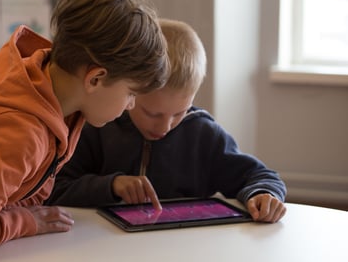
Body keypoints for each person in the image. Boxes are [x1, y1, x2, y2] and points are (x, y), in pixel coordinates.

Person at [0, 0, 169, 262]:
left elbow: (25, 192)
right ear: (95, 79)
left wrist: (15, 216)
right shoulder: (16, 132)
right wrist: (26, 222)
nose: (130, 105)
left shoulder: (61, 105)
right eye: (131, 94)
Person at [47, 18, 287, 223]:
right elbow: (54, 189)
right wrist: (112, 186)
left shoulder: (203, 135)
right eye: (152, 113)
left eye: (178, 113)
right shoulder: (98, 125)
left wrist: (263, 194)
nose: (164, 127)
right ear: (129, 92)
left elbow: (261, 177)